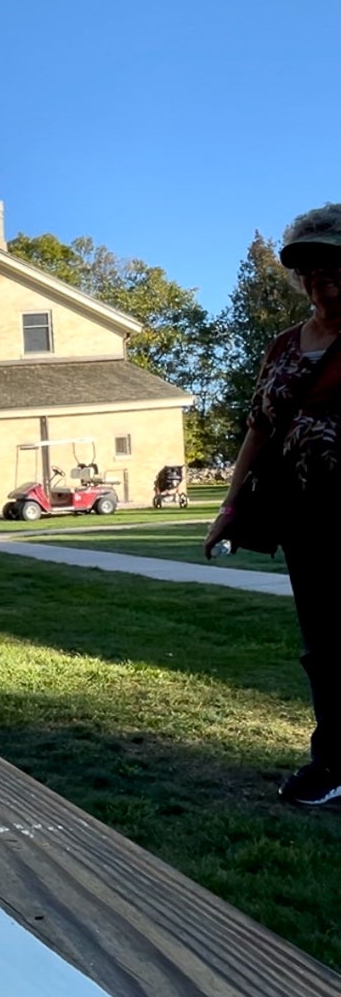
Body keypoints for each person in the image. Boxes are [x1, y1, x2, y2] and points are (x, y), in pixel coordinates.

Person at [205, 203, 341, 805]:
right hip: (306, 520)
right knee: (324, 649)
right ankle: (332, 764)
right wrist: (229, 506)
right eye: (309, 270)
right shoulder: (284, 346)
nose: (320, 281)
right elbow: (259, 430)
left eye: (332, 266)